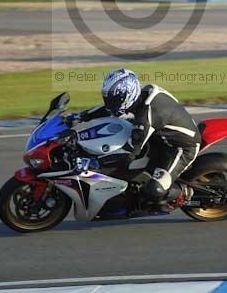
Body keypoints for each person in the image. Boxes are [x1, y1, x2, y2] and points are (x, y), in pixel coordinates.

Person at [74, 68, 201, 210]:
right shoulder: (143, 94)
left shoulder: (146, 117)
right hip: (160, 139)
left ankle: (184, 194)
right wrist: (81, 116)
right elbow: (108, 109)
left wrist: (96, 162)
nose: (110, 103)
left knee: (155, 190)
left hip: (181, 148)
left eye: (114, 100)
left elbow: (129, 154)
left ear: (127, 96)